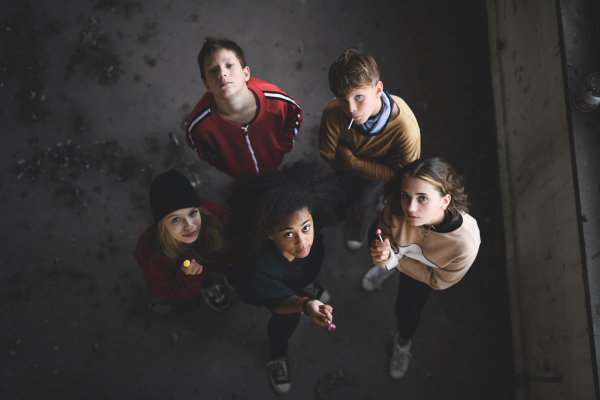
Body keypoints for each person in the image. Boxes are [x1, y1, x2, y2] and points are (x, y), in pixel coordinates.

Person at [224, 160, 344, 395]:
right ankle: (278, 355)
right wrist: (305, 304)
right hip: (279, 295)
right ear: (269, 233)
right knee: (284, 325)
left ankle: (305, 286)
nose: (302, 243)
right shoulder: (258, 268)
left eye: (306, 228)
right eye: (288, 234)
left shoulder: (310, 224)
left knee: (302, 277)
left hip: (300, 278)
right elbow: (279, 303)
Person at [364, 158, 480, 379]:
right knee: (376, 241)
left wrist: (394, 261)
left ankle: (402, 345)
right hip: (397, 250)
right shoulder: (396, 208)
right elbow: (382, 233)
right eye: (406, 195)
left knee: (407, 312)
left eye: (423, 198)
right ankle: (387, 268)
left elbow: (438, 280)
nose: (410, 208)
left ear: (445, 201)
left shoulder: (464, 244)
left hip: (423, 273)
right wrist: (384, 257)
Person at [319, 48, 421, 250]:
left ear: (377, 89)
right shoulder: (333, 112)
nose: (351, 109)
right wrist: (380, 164)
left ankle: (358, 216)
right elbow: (327, 154)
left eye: (358, 96)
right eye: (342, 99)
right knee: (340, 191)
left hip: (367, 177)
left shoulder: (405, 128)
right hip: (349, 170)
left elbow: (403, 176)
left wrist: (350, 160)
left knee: (364, 197)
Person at [185, 36, 303, 180]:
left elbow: (294, 114)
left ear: (245, 73)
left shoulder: (275, 101)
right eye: (212, 71)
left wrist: (283, 147)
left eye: (229, 65)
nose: (222, 74)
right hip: (240, 175)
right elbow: (199, 146)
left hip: (274, 164)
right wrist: (226, 166)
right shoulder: (201, 124)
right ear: (207, 85)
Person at [133, 169, 231, 311]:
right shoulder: (153, 259)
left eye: (192, 213)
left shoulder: (210, 213)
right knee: (203, 279)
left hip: (215, 257)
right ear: (162, 225)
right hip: (192, 275)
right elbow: (173, 292)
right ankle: (207, 285)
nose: (190, 225)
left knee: (229, 266)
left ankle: (230, 274)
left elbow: (232, 235)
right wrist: (191, 277)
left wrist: (230, 259)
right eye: (176, 219)